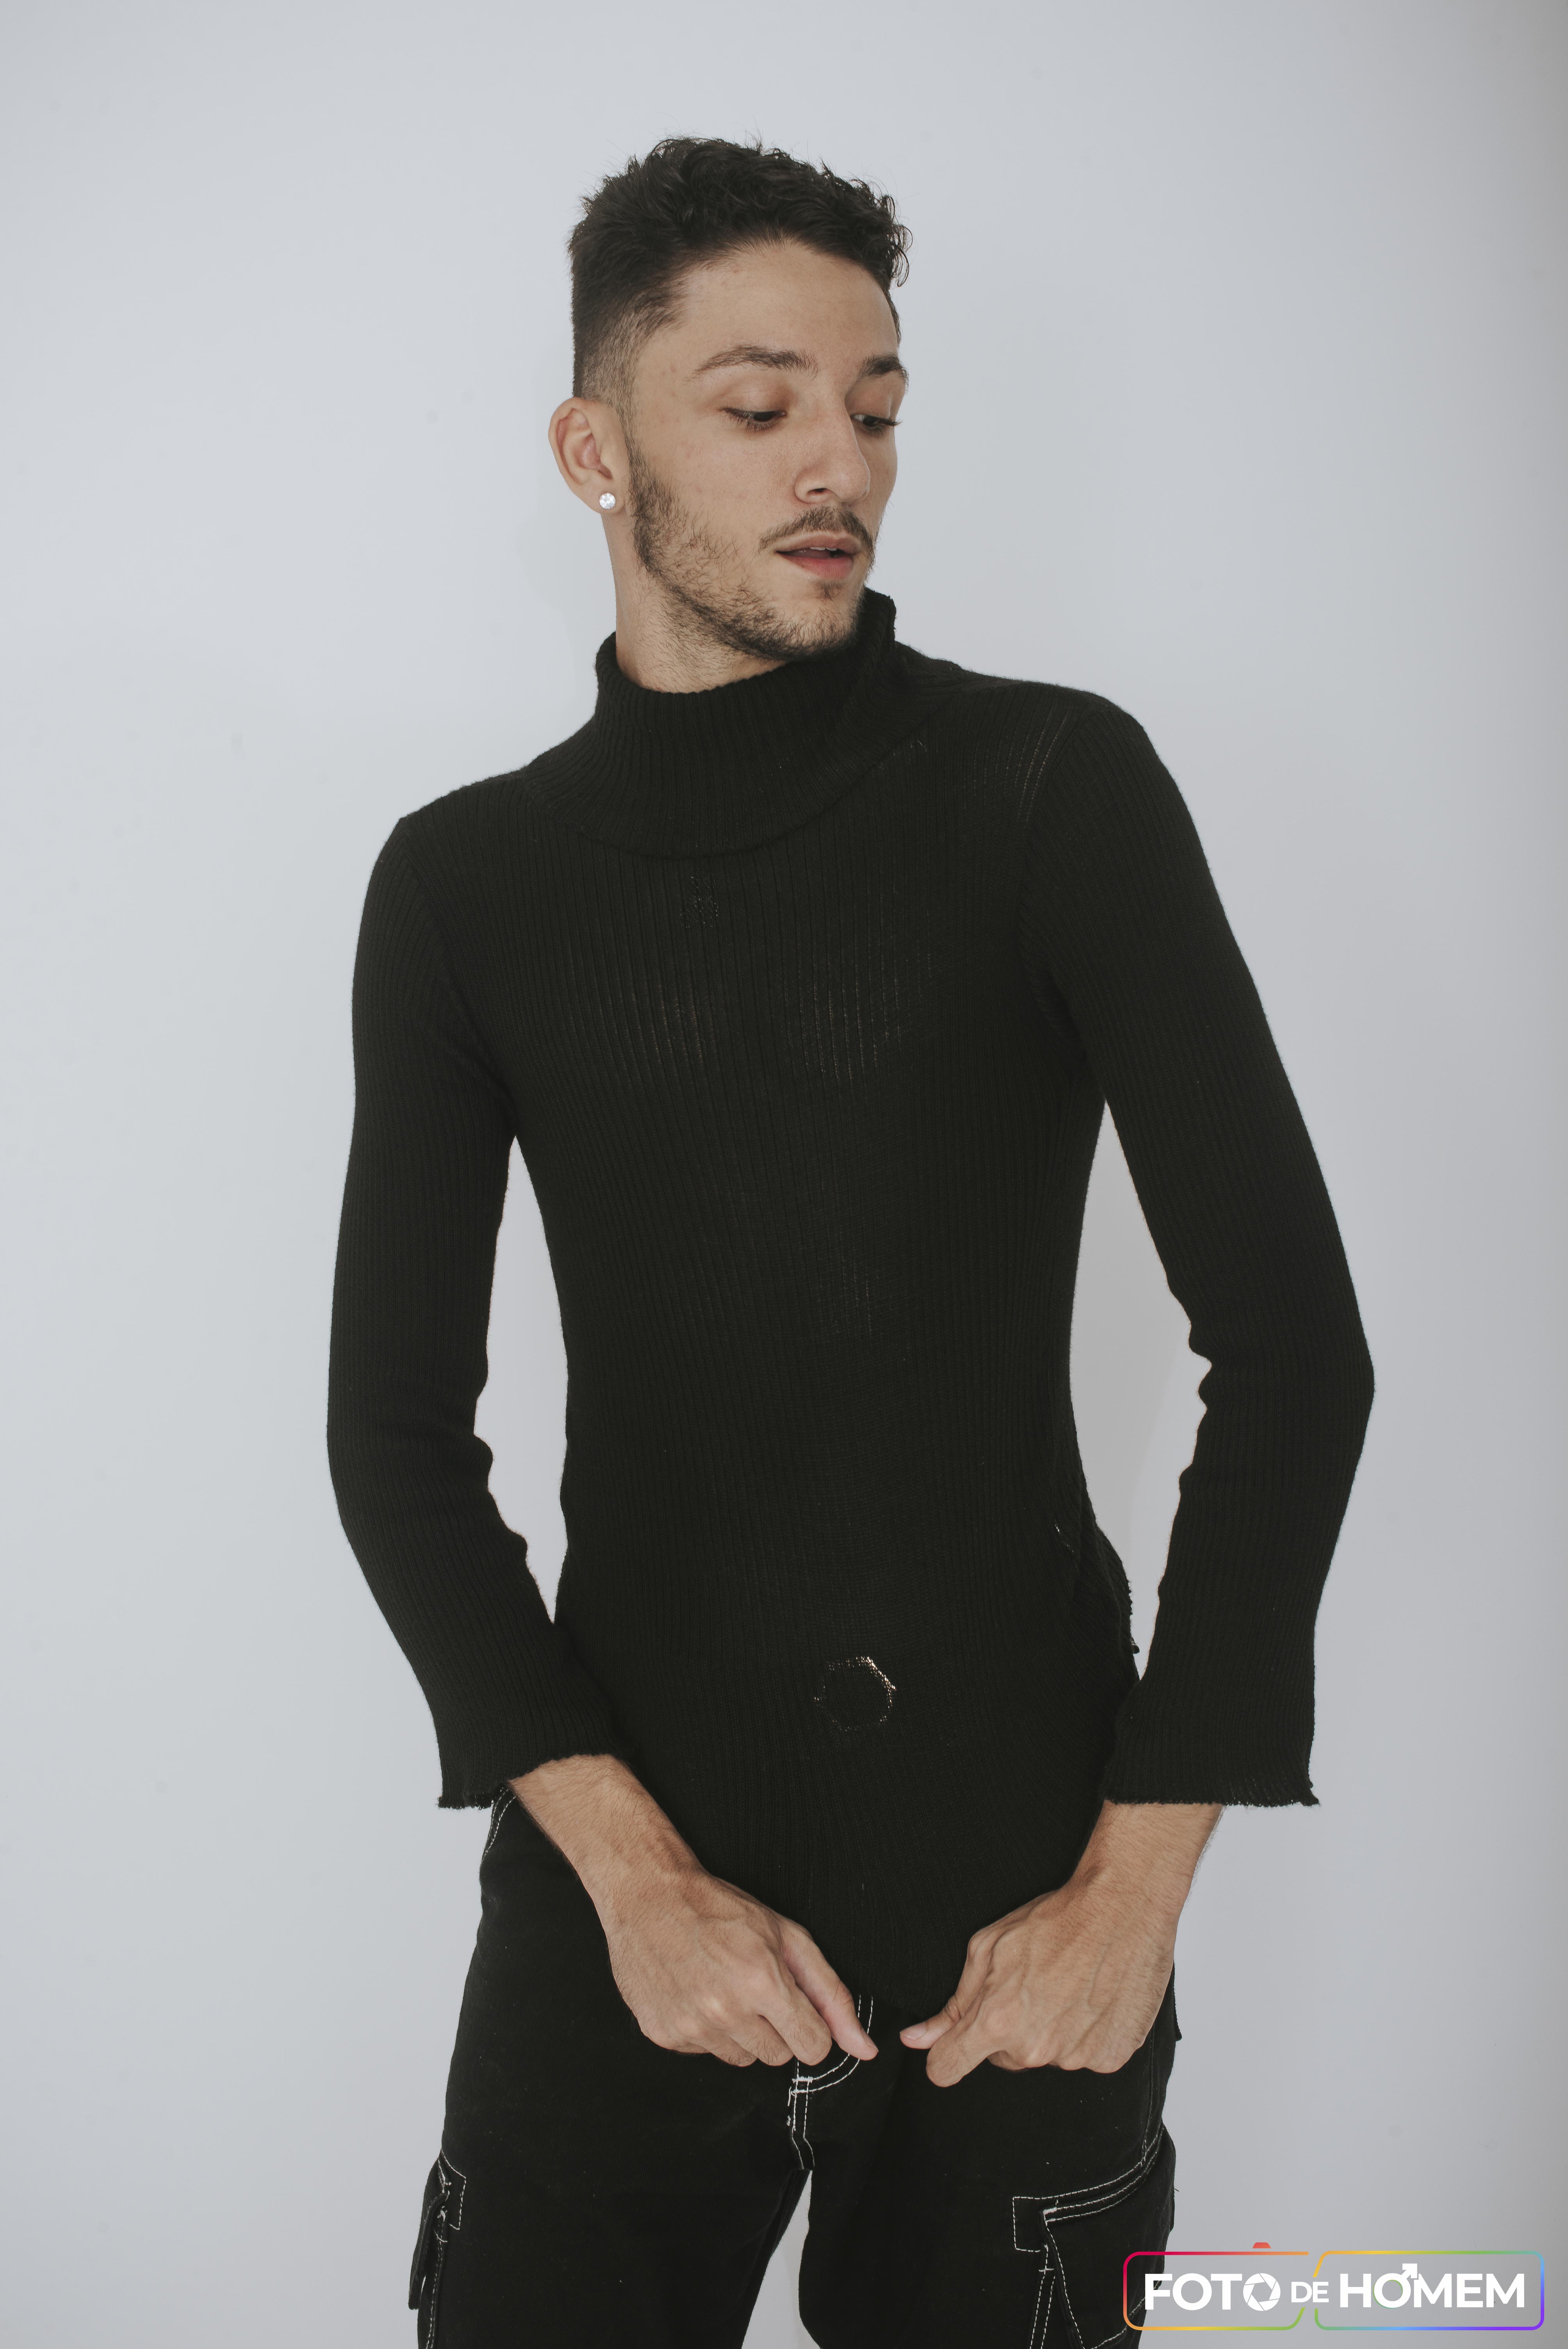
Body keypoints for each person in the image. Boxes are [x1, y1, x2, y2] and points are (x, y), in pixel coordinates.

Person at [326, 135, 1374, 2348]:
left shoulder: (1050, 790)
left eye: (878, 409)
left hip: (1026, 1910)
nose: (842, 468)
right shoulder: (464, 889)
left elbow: (1295, 1353)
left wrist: (1134, 1892)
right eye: (762, 404)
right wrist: (634, 1883)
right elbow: (397, 1438)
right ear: (594, 452)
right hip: (629, 1889)